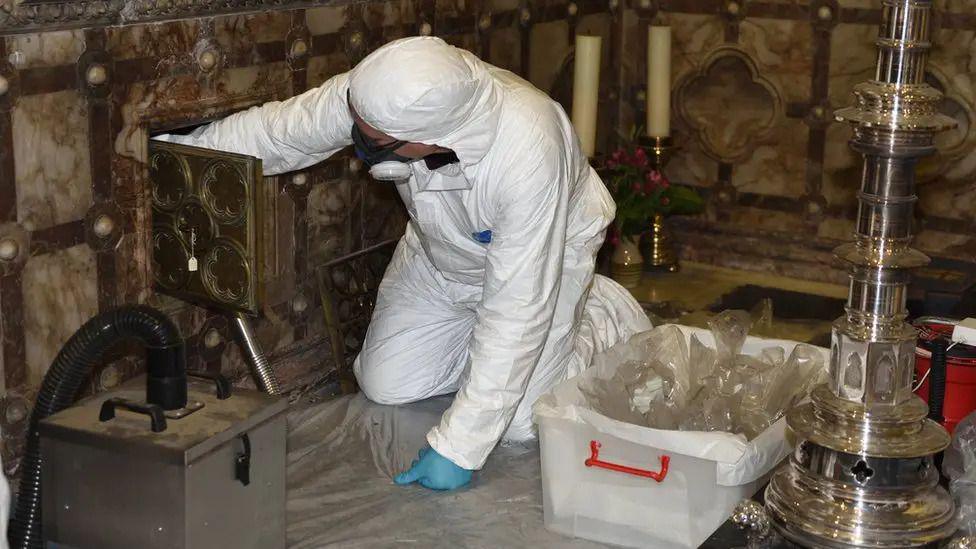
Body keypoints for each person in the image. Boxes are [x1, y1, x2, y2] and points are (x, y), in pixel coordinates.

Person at [155, 36, 651, 491]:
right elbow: (285, 132)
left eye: (375, 142)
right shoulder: (382, 93)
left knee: (521, 424)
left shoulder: (528, 149)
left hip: (547, 258)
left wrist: (460, 446)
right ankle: (496, 362)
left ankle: (600, 311)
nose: (360, 142)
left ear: (430, 138)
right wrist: (177, 155)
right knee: (385, 383)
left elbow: (518, 306)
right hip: (442, 254)